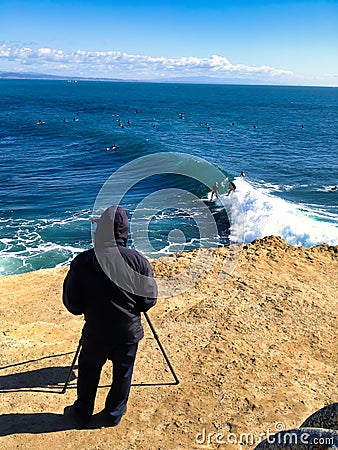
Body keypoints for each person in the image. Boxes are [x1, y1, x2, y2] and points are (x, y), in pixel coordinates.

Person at [63, 206, 157, 428]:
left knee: (88, 371)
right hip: (128, 332)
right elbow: (148, 301)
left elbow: (72, 304)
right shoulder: (138, 261)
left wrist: (90, 307)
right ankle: (114, 414)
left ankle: (82, 413)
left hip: (95, 332)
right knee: (123, 373)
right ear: (125, 230)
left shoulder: (82, 262)